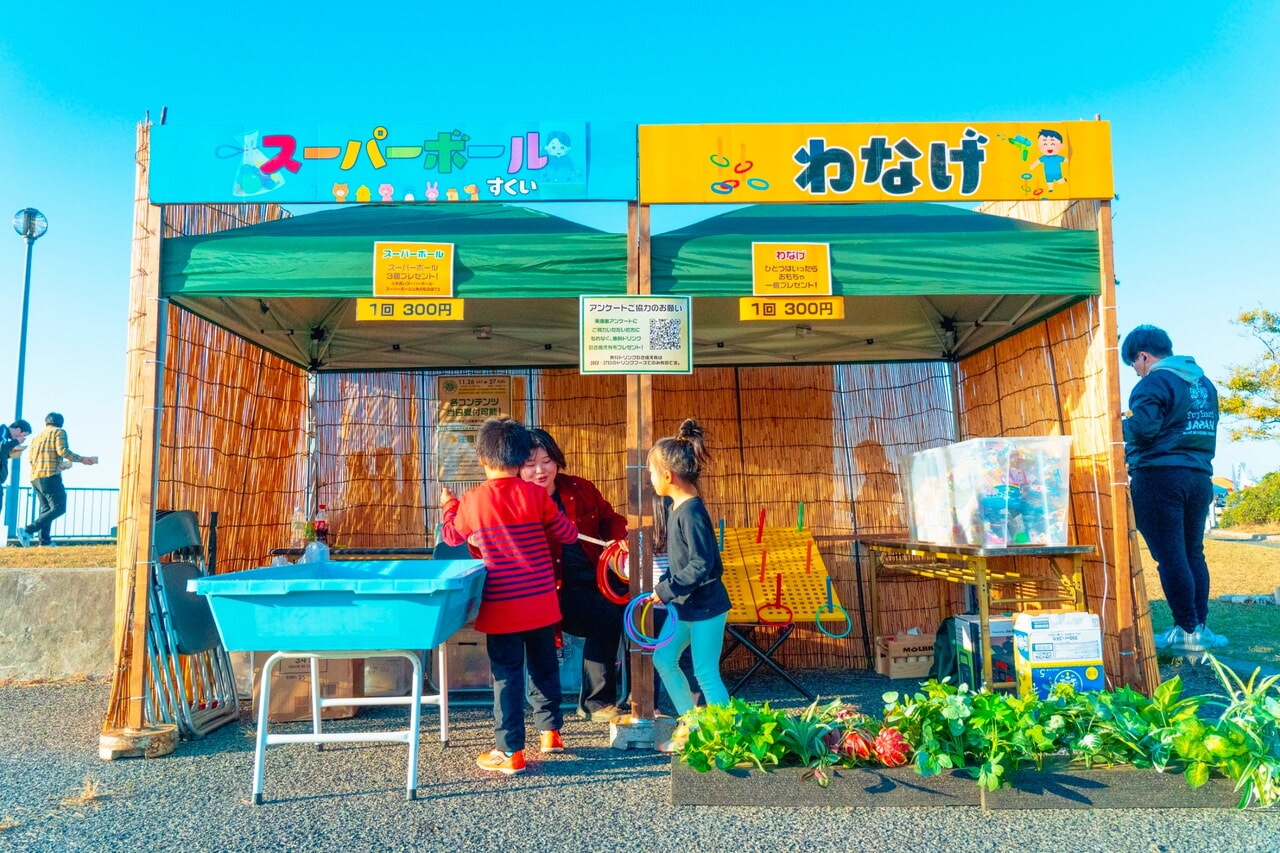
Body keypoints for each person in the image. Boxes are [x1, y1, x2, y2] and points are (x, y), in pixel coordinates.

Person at [439, 416, 579, 776]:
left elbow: (454, 537)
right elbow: (567, 534)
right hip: (542, 604)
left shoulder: (473, 500)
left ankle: (510, 751)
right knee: (545, 666)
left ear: (483, 460)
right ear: (520, 461)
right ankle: (550, 732)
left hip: (502, 607)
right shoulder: (536, 495)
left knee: (507, 675)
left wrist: (448, 507)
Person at [1121, 325, 1224, 653]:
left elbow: (1144, 428)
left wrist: (1111, 424)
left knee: (1171, 557)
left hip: (1159, 477)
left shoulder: (1154, 382)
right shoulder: (1204, 384)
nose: (1136, 373)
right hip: (1199, 477)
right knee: (1193, 552)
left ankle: (1186, 630)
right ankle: (1199, 628)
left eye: (1134, 365)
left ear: (1144, 356)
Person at [521, 428, 629, 722]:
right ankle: (596, 703)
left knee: (640, 606)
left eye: (547, 460)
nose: (541, 470)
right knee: (605, 616)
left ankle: (645, 697)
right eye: (530, 464)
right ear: (517, 467)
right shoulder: (515, 501)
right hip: (552, 590)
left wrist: (621, 538)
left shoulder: (579, 488)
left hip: (597, 577)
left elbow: (611, 520)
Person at [646, 418, 731, 753]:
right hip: (686, 606)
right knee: (664, 659)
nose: (650, 478)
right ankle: (692, 726)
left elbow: (702, 564)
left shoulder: (691, 513)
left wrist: (665, 589)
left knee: (706, 673)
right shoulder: (677, 508)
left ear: (667, 476)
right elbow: (688, 565)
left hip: (706, 607)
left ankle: (727, 738)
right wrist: (667, 589)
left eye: (652, 472)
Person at [16, 413, 97, 547]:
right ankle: (27, 530)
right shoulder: (59, 432)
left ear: (46, 423)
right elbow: (63, 451)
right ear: (60, 424)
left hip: (35, 477)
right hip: (50, 476)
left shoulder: (36, 438)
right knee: (59, 507)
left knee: (47, 509)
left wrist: (61, 465)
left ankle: (45, 541)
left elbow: (32, 460)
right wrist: (82, 459)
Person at [0, 419, 33, 520]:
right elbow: (1, 447)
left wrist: (10, 454)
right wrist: (16, 442)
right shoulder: (2, 431)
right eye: (23, 435)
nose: (22, 438)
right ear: (18, 430)